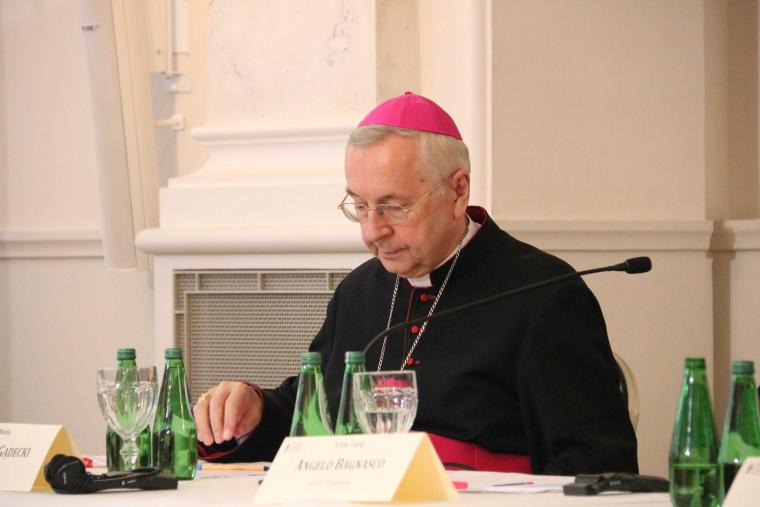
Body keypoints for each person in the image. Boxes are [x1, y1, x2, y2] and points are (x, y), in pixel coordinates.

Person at [193, 92, 638, 475]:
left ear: (458, 191)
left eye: (393, 207)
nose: (372, 232)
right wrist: (254, 409)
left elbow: (598, 461)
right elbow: (315, 411)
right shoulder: (359, 291)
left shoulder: (544, 294)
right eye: (360, 206)